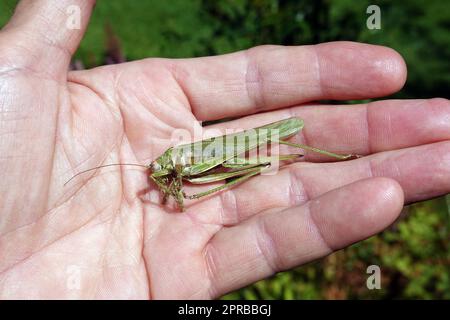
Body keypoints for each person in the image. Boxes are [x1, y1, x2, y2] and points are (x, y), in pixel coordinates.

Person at [0, 0, 448, 299]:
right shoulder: (166, 170)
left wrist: (180, 185)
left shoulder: (175, 167)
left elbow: (183, 182)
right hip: (227, 164)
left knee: (283, 152)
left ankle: (337, 156)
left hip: (235, 151)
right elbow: (176, 187)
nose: (156, 176)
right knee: (275, 161)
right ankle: (332, 156)